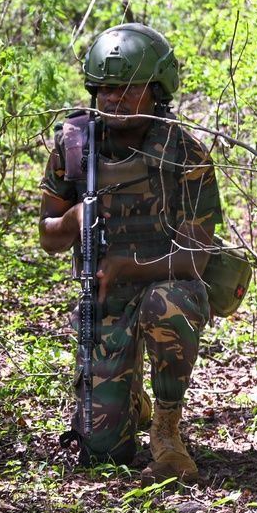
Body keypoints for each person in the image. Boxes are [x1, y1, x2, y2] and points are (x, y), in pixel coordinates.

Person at [39, 24, 223, 484]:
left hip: (168, 286)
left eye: (128, 88)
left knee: (169, 302)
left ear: (157, 92)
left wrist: (127, 266)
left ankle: (166, 428)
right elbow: (47, 234)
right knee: (103, 453)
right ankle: (131, 403)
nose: (113, 98)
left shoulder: (185, 153)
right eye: (104, 88)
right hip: (106, 302)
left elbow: (196, 258)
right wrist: (75, 220)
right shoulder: (75, 146)